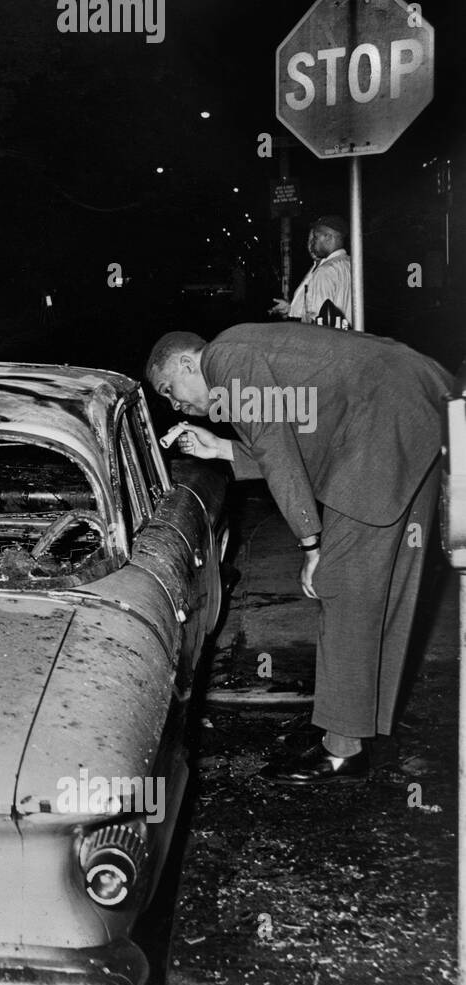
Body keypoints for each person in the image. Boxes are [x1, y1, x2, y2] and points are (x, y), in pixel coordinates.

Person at [146, 323, 449, 787]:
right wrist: (222, 447)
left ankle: (342, 752)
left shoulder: (225, 359)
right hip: (414, 408)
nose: (175, 406)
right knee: (384, 592)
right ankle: (371, 732)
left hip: (382, 429)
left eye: (171, 391)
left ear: (190, 363)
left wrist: (312, 544)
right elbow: (294, 437)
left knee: (342, 588)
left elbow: (278, 450)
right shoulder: (249, 349)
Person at [270, 215, 353, 326]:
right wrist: (291, 309)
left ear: (328, 237)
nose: (312, 243)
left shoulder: (325, 272)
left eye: (315, 237)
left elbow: (318, 323)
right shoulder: (352, 265)